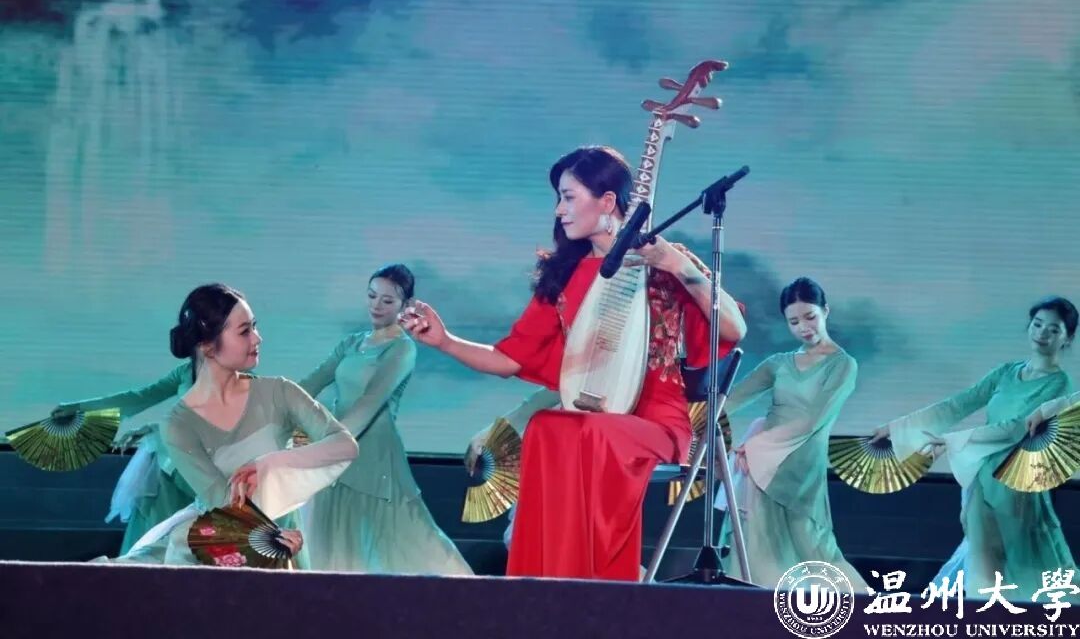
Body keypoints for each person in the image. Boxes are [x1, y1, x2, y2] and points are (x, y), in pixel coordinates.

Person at [400, 145, 746, 581]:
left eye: (568, 197)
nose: (558, 210)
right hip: (592, 419)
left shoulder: (663, 259)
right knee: (546, 426)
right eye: (559, 198)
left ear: (607, 201)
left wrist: (678, 265)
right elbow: (509, 358)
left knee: (588, 432)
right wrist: (445, 341)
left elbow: (733, 328)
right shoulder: (565, 274)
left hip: (655, 423)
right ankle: (548, 584)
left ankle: (605, 585)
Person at [109, 283, 358, 567]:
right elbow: (222, 503)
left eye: (254, 327)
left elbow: (345, 445)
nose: (258, 338)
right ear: (207, 345)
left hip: (279, 537)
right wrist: (269, 537)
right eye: (244, 331)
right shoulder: (178, 424)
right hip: (223, 544)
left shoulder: (280, 392)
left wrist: (268, 463)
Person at [873, 296, 1078, 600]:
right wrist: (898, 428)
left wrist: (951, 440)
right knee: (984, 566)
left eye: (1053, 329)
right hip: (984, 477)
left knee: (1021, 566)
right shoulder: (1007, 372)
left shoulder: (1059, 385)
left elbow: (1016, 428)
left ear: (1067, 338)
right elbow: (959, 404)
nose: (1042, 333)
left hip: (1017, 482)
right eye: (1037, 324)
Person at [298, 264, 472, 574]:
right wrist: (276, 407)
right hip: (336, 447)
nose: (376, 305)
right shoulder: (352, 343)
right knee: (330, 543)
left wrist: (330, 444)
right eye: (372, 296)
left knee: (403, 542)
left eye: (387, 300)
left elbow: (370, 401)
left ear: (406, 305)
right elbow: (310, 384)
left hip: (373, 453)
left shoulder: (401, 348)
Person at [715, 277, 865, 589]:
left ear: (825, 311)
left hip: (800, 461)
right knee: (755, 537)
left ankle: (856, 609)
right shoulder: (779, 363)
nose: (803, 328)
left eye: (810, 317)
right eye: (794, 322)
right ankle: (753, 608)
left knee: (813, 542)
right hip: (758, 461)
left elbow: (814, 419)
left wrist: (756, 446)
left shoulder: (843, 365)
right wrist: (697, 409)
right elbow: (731, 399)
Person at [50, 363, 195, 553]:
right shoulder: (186, 371)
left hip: (216, 459)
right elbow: (141, 397)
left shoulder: (233, 372)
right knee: (161, 516)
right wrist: (79, 407)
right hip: (177, 457)